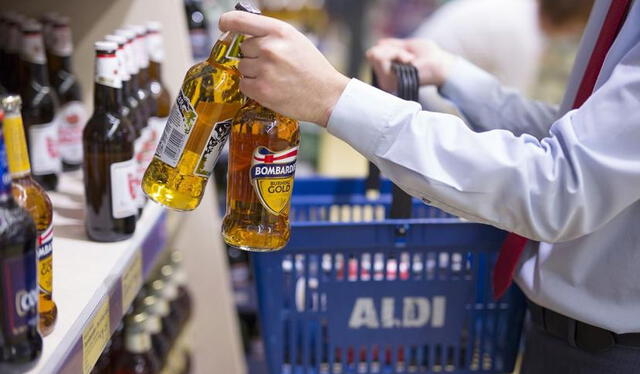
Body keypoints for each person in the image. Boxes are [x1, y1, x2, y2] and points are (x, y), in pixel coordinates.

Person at [219, 0, 640, 372]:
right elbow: (575, 139)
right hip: (551, 335)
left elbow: (560, 187)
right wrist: (456, 76)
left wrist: (336, 99)